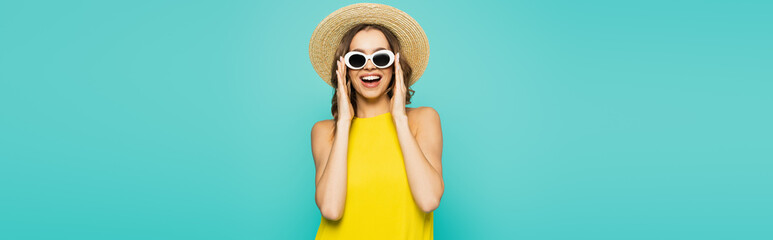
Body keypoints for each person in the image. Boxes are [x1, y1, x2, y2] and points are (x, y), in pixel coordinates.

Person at [308, 3, 443, 240]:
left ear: (395, 66)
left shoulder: (423, 120)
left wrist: (400, 118)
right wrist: (344, 123)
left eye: (381, 57)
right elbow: (331, 209)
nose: (369, 65)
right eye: (357, 59)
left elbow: (429, 199)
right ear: (344, 70)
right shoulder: (325, 132)